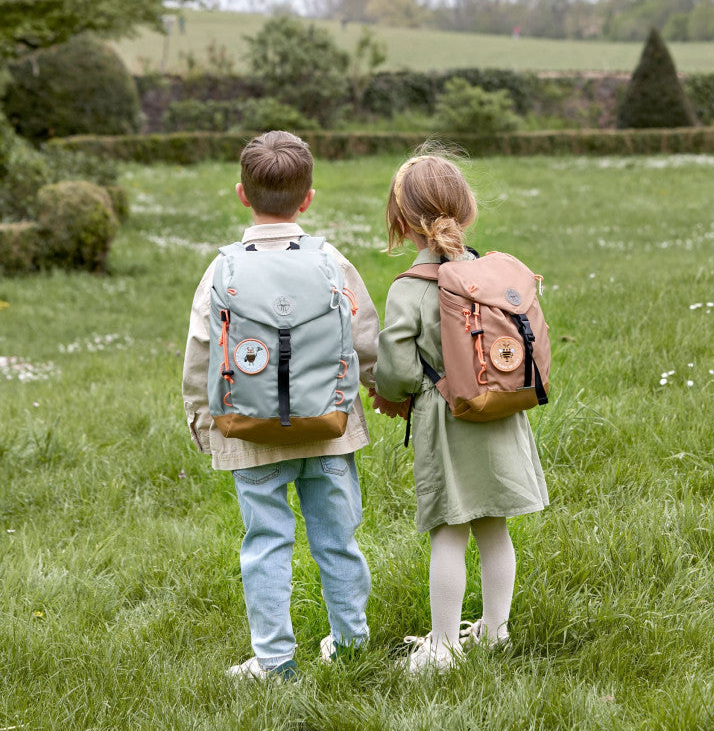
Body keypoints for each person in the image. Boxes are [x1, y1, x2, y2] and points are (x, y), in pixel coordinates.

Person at [182, 130, 379, 680]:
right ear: (308, 197)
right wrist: (381, 390)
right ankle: (351, 645)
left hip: (250, 430)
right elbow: (364, 339)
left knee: (265, 543)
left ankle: (274, 661)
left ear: (241, 195)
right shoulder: (331, 260)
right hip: (330, 428)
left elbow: (201, 355)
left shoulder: (222, 269)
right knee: (338, 541)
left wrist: (204, 424)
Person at [373, 153, 549, 672]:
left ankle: (444, 647)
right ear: (466, 212)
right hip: (498, 414)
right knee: (495, 528)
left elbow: (399, 372)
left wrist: (390, 392)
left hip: (446, 421)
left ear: (403, 224)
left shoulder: (410, 288)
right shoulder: (490, 275)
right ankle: (496, 632)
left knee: (449, 531)